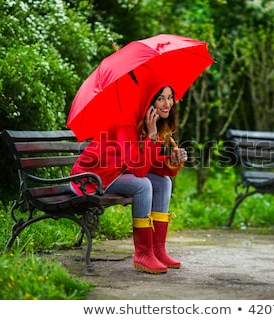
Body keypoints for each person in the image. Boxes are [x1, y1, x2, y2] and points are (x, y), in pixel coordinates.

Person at [70, 84, 187, 274]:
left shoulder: (151, 121)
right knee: (143, 185)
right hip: (94, 177)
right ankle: (143, 253)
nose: (168, 104)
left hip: (120, 172)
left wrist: (170, 160)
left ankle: (158, 250)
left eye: (170, 97)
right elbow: (139, 171)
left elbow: (148, 163)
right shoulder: (126, 122)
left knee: (164, 182)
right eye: (161, 99)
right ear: (149, 102)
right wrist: (151, 136)